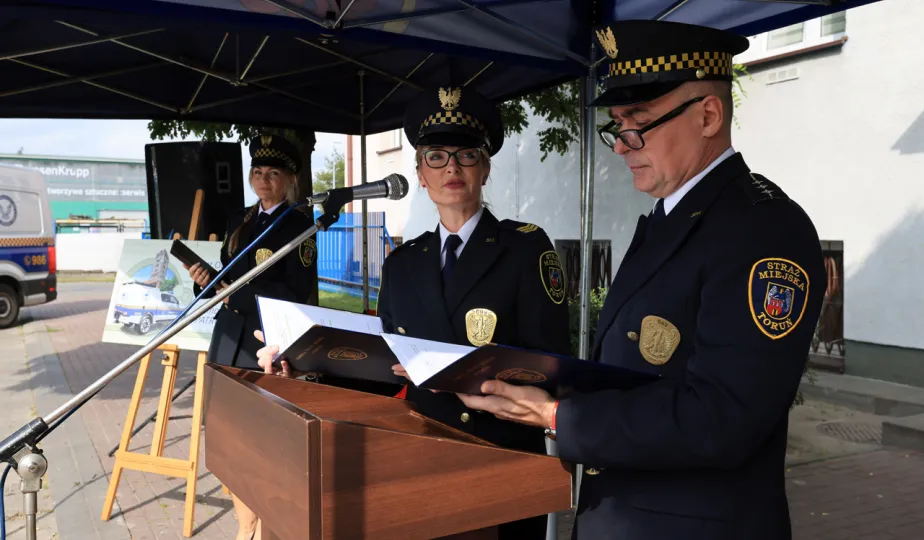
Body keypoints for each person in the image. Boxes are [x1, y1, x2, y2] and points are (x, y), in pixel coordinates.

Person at [451, 20, 827, 540]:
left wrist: (561, 417)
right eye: (617, 125)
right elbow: (627, 372)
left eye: (639, 122)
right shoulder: (668, 217)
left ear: (709, 115)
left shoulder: (763, 229)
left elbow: (724, 416)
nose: (622, 145)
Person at [256, 86, 571, 538]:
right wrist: (304, 366)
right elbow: (382, 367)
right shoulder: (403, 263)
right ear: (421, 174)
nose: (452, 168)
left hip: (498, 457)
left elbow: (550, 362)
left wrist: (457, 374)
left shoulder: (524, 247)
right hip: (420, 459)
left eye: (465, 154)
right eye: (437, 157)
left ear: (485, 168)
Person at [186, 133, 318, 540]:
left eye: (273, 173)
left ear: (289, 179)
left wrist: (234, 293)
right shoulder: (240, 220)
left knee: (259, 440)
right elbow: (228, 271)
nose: (263, 180)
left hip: (265, 343)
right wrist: (204, 281)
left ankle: (263, 526)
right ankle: (244, 523)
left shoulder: (299, 225)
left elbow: (297, 294)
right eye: (257, 172)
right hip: (228, 337)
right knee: (230, 435)